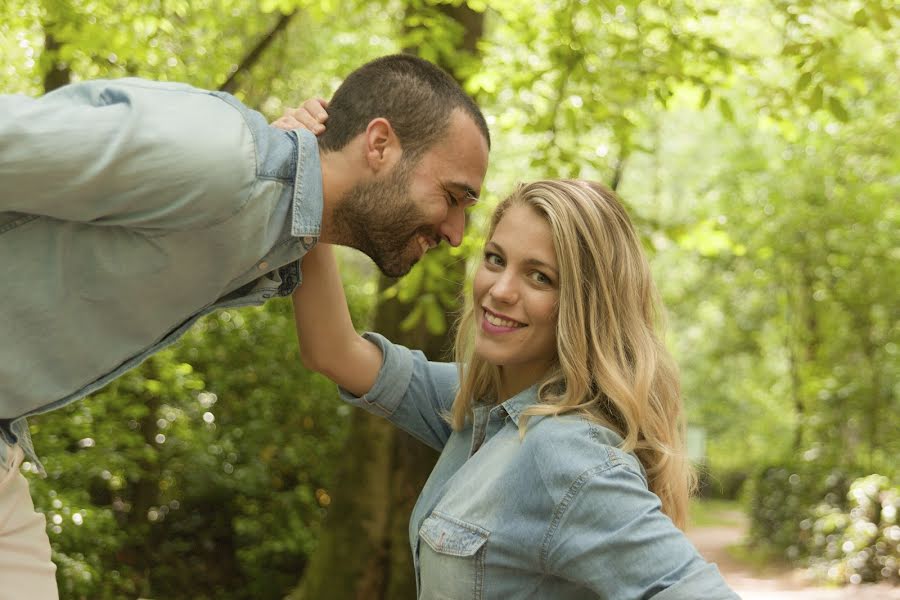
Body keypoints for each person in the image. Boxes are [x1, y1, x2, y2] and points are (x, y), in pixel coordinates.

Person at [0, 54, 489, 598]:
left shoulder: (276, 219)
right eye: (452, 197)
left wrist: (316, 176)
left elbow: (334, 344)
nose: (457, 234)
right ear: (379, 145)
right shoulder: (219, 155)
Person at [293, 179, 740, 598]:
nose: (500, 290)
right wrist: (315, 181)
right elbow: (333, 352)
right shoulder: (477, 404)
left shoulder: (567, 455)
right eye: (495, 259)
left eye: (539, 276)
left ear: (585, 307)